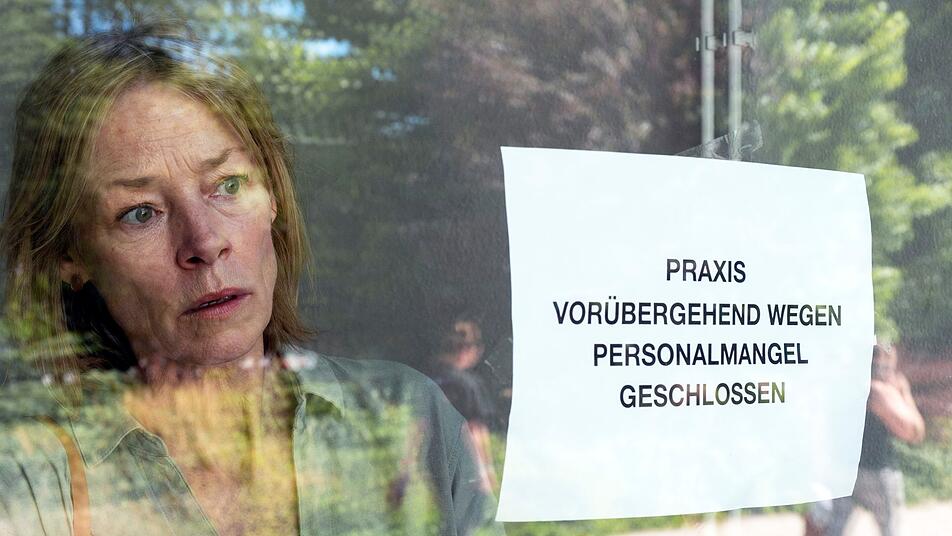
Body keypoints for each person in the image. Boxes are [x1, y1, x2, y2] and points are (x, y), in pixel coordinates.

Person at [0, 22, 503, 536]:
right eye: (140, 212)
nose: (204, 242)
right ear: (68, 257)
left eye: (228, 185)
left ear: (273, 197)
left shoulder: (413, 421)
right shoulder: (27, 484)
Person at [805, 344, 925, 536]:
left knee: (836, 528)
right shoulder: (878, 392)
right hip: (876, 471)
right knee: (891, 530)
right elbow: (914, 433)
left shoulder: (845, 385)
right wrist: (903, 393)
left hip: (844, 470)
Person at [428, 315, 498, 492]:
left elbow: (420, 425)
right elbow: (475, 429)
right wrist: (485, 471)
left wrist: (404, 474)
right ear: (469, 349)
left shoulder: (430, 381)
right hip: (466, 466)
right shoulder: (470, 385)